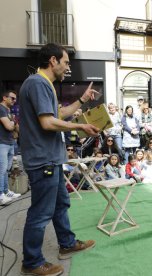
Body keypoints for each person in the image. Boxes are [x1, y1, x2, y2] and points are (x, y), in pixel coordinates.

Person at [19, 43, 98, 275]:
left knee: (61, 204)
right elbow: (48, 123)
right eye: (65, 63)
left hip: (50, 159)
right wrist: (81, 125)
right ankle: (32, 262)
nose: (67, 68)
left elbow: (58, 114)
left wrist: (82, 100)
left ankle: (67, 244)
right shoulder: (37, 83)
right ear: (53, 61)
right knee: (41, 213)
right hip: (43, 160)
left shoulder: (44, 85)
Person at [0, 90, 20, 205]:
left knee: (6, 169)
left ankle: (6, 191)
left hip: (10, 142)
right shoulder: (1, 109)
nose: (14, 101)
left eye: (15, 99)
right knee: (1, 170)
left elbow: (17, 129)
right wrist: (13, 121)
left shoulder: (8, 111)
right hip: (2, 143)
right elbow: (9, 126)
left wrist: (13, 122)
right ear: (4, 97)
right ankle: (0, 194)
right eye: (12, 98)